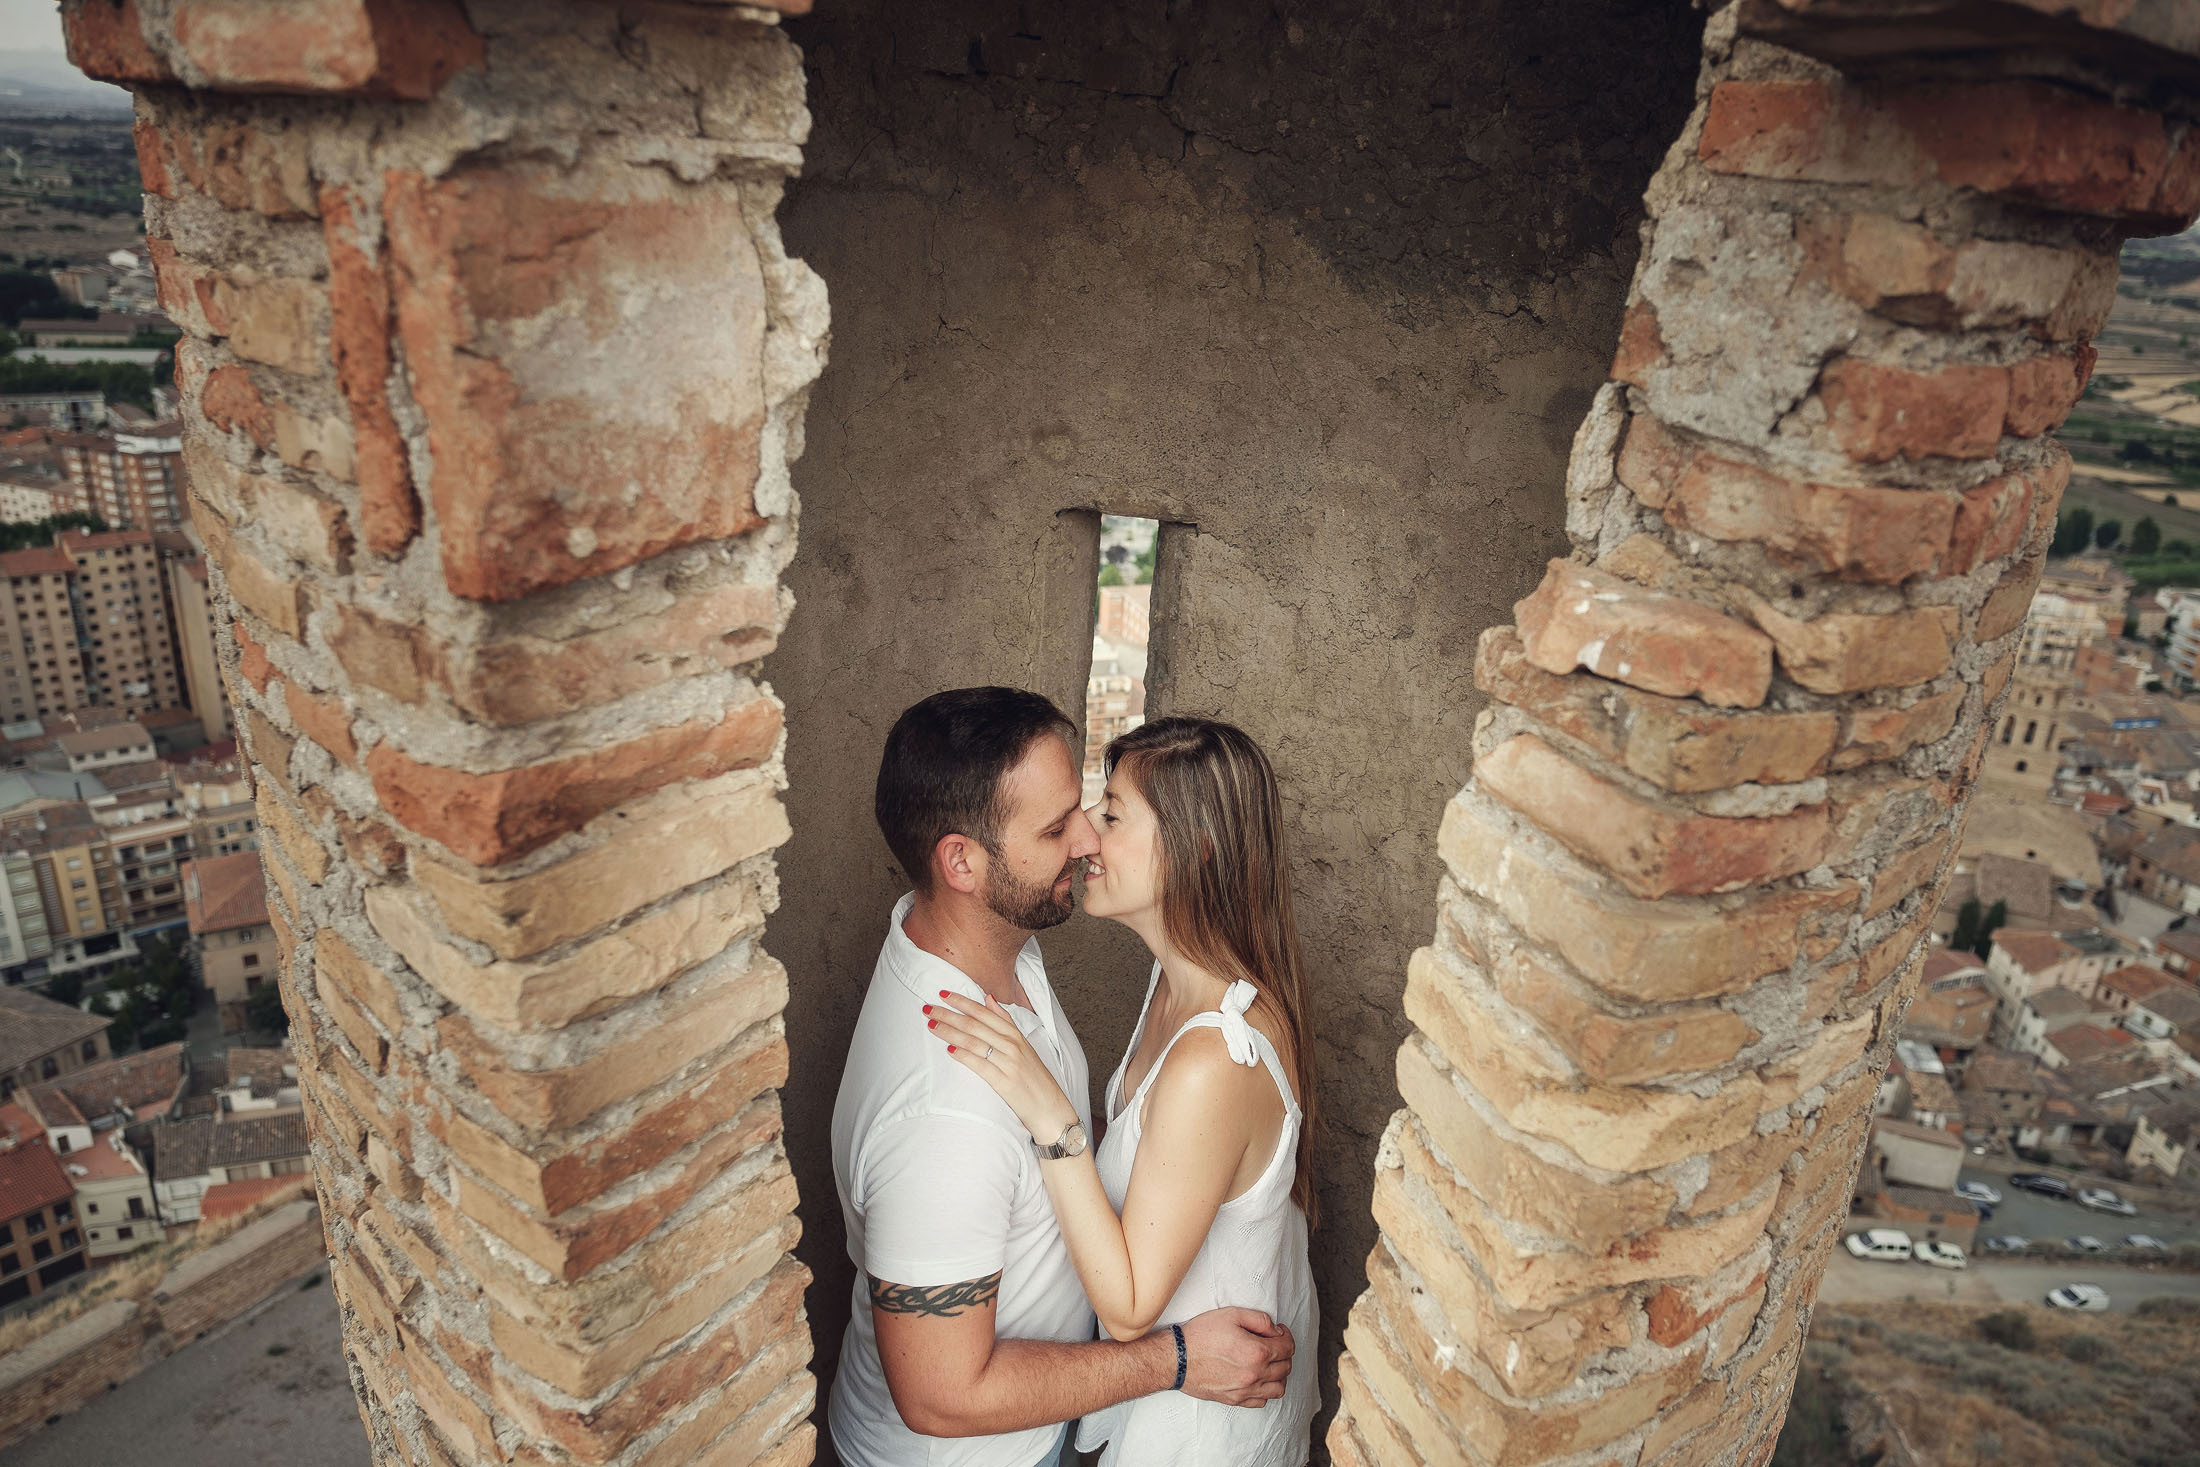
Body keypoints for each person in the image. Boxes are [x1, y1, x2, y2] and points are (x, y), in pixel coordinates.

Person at [828, 689, 1296, 1467]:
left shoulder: (996, 946)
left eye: (1095, 810)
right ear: (963, 862)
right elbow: (943, 1395)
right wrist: (1177, 1358)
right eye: (1057, 826)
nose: (1083, 840)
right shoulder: (946, 1113)